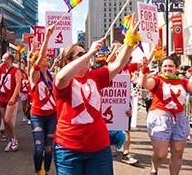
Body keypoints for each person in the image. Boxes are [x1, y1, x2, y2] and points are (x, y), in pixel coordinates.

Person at [53, 14, 140, 175]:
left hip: (99, 148)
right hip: (68, 150)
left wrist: (130, 39)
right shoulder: (65, 82)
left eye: (84, 52)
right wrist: (90, 53)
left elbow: (119, 63)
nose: (85, 55)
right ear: (68, 61)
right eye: (79, 54)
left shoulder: (95, 76)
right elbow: (62, 77)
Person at [138, 56, 191, 175]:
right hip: (160, 119)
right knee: (161, 154)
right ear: (161, 68)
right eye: (165, 66)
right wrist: (144, 69)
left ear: (176, 68)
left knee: (178, 151)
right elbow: (144, 84)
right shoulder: (157, 80)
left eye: (171, 66)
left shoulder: (182, 81)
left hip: (180, 119)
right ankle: (154, 167)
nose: (168, 68)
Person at [29, 25, 56, 175]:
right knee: (39, 148)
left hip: (52, 115)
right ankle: (38, 170)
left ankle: (45, 171)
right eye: (43, 57)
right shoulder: (34, 75)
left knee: (49, 148)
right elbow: (39, 58)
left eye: (46, 57)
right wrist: (47, 37)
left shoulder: (52, 76)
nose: (46, 58)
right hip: (37, 116)